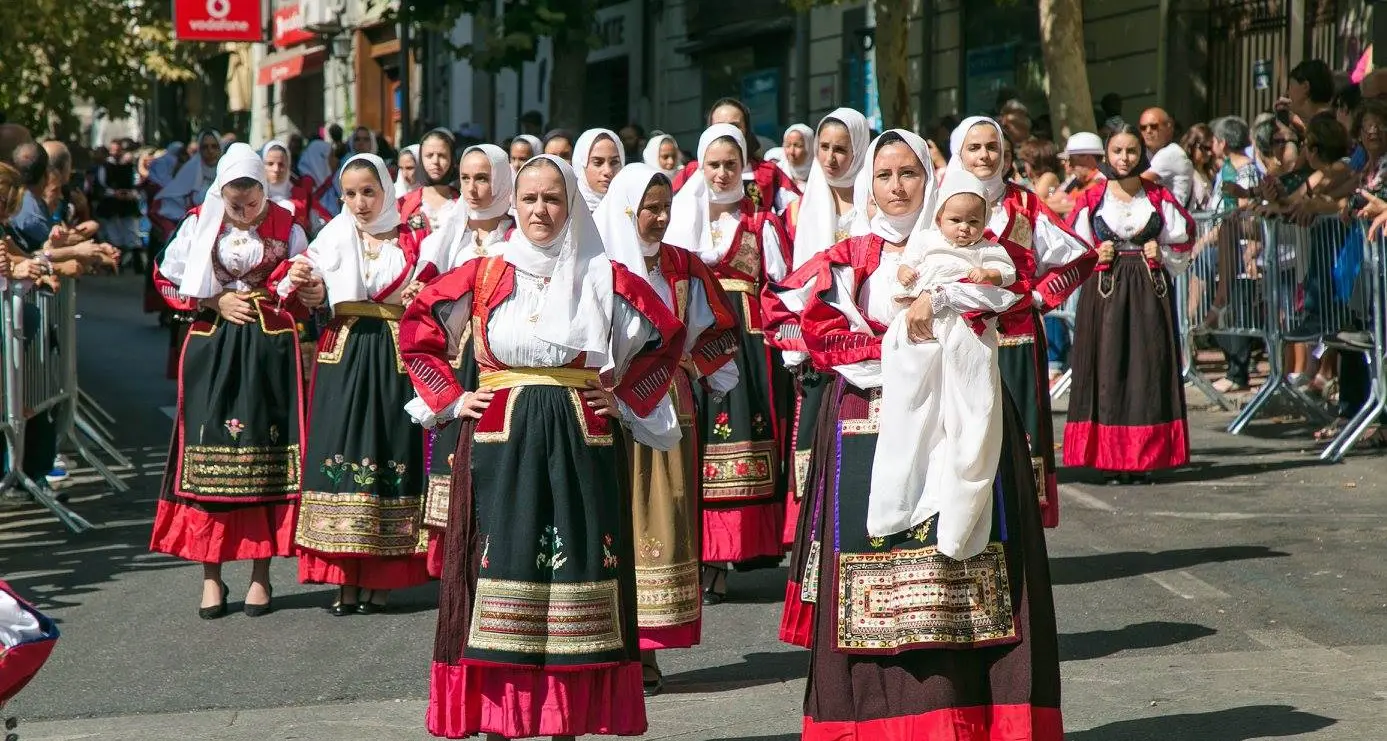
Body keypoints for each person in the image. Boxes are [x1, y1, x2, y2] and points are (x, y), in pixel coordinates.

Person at [763, 129, 1063, 740]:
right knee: (875, 566)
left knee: (967, 564)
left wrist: (944, 304)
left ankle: (973, 716)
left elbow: (1017, 292)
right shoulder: (846, 260)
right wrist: (896, 343)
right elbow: (788, 314)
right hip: (865, 423)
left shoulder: (970, 247)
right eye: (885, 176)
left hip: (960, 418)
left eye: (910, 174)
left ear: (931, 181)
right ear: (868, 188)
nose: (898, 187)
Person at [398, 154, 686, 740]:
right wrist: (453, 398)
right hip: (502, 434)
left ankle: (564, 724)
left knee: (578, 567)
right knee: (501, 566)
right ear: (513, 203)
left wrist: (626, 399)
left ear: (572, 203)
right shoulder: (484, 273)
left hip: (582, 436)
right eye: (529, 198)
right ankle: (505, 719)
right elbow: (419, 326)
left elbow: (667, 335)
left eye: (553, 198)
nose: (540, 210)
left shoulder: (602, 275)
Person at [593, 162, 740, 696]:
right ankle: (609, 642)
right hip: (608, 406)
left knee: (662, 517)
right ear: (626, 210)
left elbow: (719, 328)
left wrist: (699, 369)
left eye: (665, 209)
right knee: (612, 518)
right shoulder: (598, 267)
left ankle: (649, 649)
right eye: (648, 209)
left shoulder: (682, 265)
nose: (658, 219)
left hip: (667, 405)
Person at [149, 143, 314, 618]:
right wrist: (212, 300)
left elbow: (305, 292)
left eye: (252, 204)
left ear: (265, 191)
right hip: (215, 346)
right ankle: (211, 576)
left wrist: (301, 286)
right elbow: (166, 278)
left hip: (270, 352)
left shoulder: (288, 224)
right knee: (207, 457)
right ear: (221, 194)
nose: (243, 214)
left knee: (265, 458)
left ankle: (261, 575)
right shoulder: (200, 222)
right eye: (235, 205)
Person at [290, 153, 431, 614]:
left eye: (368, 191)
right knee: (341, 448)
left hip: (392, 352)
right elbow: (309, 288)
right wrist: (311, 291)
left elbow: (434, 291)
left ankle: (382, 576)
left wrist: (418, 295)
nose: (359, 202)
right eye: (349, 194)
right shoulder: (332, 237)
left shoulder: (413, 237)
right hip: (343, 350)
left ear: (386, 190)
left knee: (390, 449)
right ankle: (343, 577)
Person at [947, 117, 1094, 528]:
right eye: (974, 147)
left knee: (1016, 434)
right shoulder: (941, 202)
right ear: (959, 152)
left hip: (1015, 337)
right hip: (957, 338)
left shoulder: (1024, 204)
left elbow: (1078, 257)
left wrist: (1039, 297)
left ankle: (1018, 529)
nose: (984, 155)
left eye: (992, 146)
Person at [665, 123, 790, 604]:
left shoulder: (761, 224)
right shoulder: (680, 219)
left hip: (744, 345)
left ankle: (722, 558)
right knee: (693, 441)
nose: (721, 173)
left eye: (730, 165)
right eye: (713, 164)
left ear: (744, 168)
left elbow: (780, 286)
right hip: (693, 341)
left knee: (737, 442)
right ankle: (692, 553)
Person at [407, 143, 516, 577]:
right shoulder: (448, 235)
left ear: (503, 181)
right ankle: (458, 565)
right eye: (467, 178)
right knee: (452, 457)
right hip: (458, 360)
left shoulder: (515, 236)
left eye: (483, 178)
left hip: (496, 356)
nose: (472, 188)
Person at [1065, 125, 1194, 484]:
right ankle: (1109, 458)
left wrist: (1161, 251)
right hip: (1104, 293)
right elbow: (1070, 249)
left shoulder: (1157, 196)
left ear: (1143, 154)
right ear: (1107, 154)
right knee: (1107, 372)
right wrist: (1095, 253)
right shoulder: (1092, 199)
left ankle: (1144, 458)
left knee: (1146, 371)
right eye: (1118, 151)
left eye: (1132, 151)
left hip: (1149, 291)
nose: (1125, 158)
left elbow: (1183, 241)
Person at [770, 107, 870, 556]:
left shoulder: (875, 202)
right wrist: (798, 345)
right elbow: (792, 284)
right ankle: (818, 552)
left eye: (840, 149)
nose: (830, 159)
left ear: (859, 150)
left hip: (867, 345)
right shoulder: (800, 209)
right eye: (823, 148)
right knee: (815, 445)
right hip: (818, 350)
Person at [671, 98, 801, 214]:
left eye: (735, 126)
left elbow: (794, 210)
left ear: (746, 129)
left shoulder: (767, 172)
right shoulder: (692, 171)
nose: (728, 131)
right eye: (720, 125)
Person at [399, 128, 460, 244]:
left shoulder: (464, 203)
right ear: (420, 159)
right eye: (429, 155)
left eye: (442, 155)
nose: (435, 161)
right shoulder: (403, 204)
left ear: (452, 159)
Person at [1140, 107, 1194, 207]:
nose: (1148, 131)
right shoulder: (1152, 153)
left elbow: (1137, 184)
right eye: (1143, 127)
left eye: (1153, 126)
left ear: (1168, 128)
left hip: (1173, 220)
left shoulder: (1170, 152)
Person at [260, 140, 313, 233]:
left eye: (281, 164)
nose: (276, 169)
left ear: (288, 165)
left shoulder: (300, 195)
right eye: (270, 164)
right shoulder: (256, 196)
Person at [571, 128, 625, 212]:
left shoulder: (631, 211)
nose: (608, 171)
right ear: (581, 166)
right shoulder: (567, 213)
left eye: (614, 162)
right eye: (598, 163)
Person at [296, 139, 339, 234]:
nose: (335, 159)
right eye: (331, 156)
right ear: (320, 158)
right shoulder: (307, 181)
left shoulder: (330, 178)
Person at [1181, 123, 1218, 211]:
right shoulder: (1185, 172)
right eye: (1205, 148)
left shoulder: (1211, 173)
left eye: (1211, 148)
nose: (1210, 153)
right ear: (1193, 145)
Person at [777, 123, 814, 191]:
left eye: (797, 146)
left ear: (809, 148)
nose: (791, 152)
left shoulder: (820, 174)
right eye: (788, 145)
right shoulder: (777, 173)